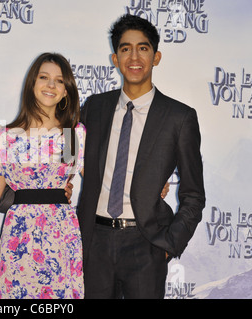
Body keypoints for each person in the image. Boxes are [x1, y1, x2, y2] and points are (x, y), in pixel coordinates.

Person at [77, 14, 205, 299]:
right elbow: (59, 141)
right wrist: (2, 131)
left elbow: (194, 194)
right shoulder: (94, 107)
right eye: (125, 48)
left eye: (143, 48)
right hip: (94, 241)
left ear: (156, 56)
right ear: (114, 58)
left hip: (146, 244)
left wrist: (169, 244)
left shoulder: (179, 117)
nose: (134, 57)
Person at [0, 53, 86, 299]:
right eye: (44, 77)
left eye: (59, 80)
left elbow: (104, 181)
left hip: (61, 235)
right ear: (32, 83)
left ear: (67, 91)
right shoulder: (7, 137)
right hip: (19, 237)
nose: (51, 85)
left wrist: (153, 183)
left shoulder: (74, 134)